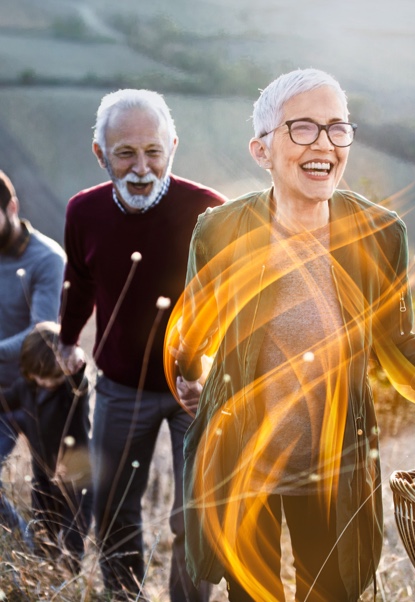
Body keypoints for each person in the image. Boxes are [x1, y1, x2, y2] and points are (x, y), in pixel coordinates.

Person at [167, 68, 415, 602]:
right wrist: (190, 369)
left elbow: (397, 338)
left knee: (333, 591)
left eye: (338, 128)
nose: (325, 144)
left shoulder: (381, 234)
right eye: (303, 128)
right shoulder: (220, 231)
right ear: (262, 150)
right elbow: (194, 330)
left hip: (336, 458)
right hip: (245, 456)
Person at [57, 89, 227, 601]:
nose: (140, 167)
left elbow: (230, 302)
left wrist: (211, 370)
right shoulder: (83, 212)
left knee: (194, 517)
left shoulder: (209, 211)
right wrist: (67, 341)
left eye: (153, 151)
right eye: (125, 153)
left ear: (172, 147)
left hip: (193, 391)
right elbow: (81, 281)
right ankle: (123, 595)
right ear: (100, 153)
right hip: (119, 387)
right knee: (111, 510)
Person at [0, 170, 66, 544]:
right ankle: (25, 548)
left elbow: (40, 333)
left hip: (41, 393)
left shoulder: (47, 259)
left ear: (12, 207)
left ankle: (57, 565)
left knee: (54, 492)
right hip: (0, 396)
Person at [0, 321, 91, 573]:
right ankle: (46, 574)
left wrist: (74, 361)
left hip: (76, 481)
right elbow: (4, 401)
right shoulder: (27, 387)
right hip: (43, 478)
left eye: (52, 378)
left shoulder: (71, 393)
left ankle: (70, 580)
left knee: (72, 546)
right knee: (43, 536)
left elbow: (80, 382)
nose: (45, 383)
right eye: (39, 377)